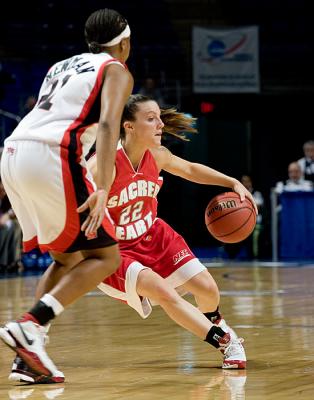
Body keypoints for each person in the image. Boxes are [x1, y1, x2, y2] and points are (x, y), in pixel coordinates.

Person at [0, 8, 134, 384]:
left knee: (67, 256)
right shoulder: (116, 69)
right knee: (106, 256)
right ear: (124, 43)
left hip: (12, 152)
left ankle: (29, 354)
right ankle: (30, 325)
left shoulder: (61, 65)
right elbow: (108, 123)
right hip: (50, 154)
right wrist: (104, 186)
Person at [90, 95, 257, 368]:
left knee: (207, 288)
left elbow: (190, 169)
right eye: (151, 118)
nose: (160, 124)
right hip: (115, 248)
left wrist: (231, 182)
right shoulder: (103, 164)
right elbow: (69, 197)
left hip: (152, 234)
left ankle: (216, 322)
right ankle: (225, 341)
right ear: (129, 126)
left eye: (159, 117)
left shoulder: (157, 155)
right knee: (163, 291)